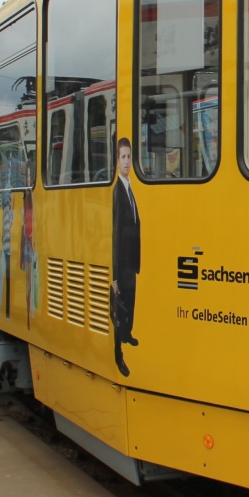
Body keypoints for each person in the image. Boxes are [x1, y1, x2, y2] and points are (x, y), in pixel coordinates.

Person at [111, 137, 140, 377]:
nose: (127, 161)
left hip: (131, 261)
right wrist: (115, 275)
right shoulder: (118, 191)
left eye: (129, 156)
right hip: (122, 264)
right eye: (123, 157)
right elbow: (116, 233)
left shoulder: (129, 187)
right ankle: (117, 355)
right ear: (116, 161)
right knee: (118, 310)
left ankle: (127, 334)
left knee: (129, 303)